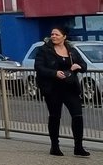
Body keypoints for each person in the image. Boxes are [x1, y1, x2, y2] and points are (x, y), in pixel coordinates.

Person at [33, 26, 90, 157]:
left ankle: (78, 147)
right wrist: (54, 73)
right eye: (52, 34)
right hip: (53, 89)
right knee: (55, 116)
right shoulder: (44, 50)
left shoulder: (72, 50)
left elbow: (84, 65)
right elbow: (39, 67)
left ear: (64, 37)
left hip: (70, 87)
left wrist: (79, 66)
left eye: (57, 34)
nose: (53, 36)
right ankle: (55, 146)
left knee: (77, 116)